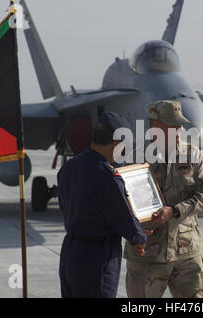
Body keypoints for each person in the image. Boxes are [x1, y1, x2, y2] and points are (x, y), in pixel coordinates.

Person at [124, 100, 203, 298]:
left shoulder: (193, 155)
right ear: (156, 127)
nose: (180, 128)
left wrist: (175, 211)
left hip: (186, 253)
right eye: (174, 125)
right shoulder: (135, 158)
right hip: (147, 255)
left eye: (181, 124)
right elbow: (122, 203)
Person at [58, 112, 147, 298]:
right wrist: (139, 237)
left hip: (70, 253)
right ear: (115, 144)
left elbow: (63, 205)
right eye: (122, 147)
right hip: (97, 258)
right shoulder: (106, 175)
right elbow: (120, 213)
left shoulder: (69, 167)